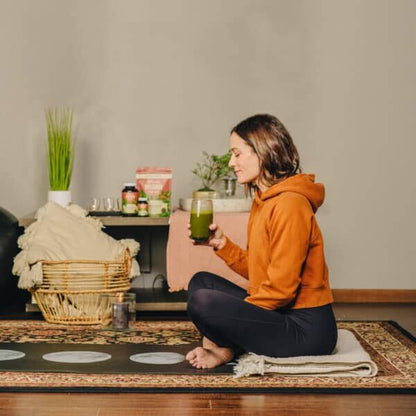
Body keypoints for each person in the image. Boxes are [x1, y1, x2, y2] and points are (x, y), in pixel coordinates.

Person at [185, 113, 337, 369]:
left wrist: (233, 315)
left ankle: (225, 349)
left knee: (204, 302)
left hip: (306, 330)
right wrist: (223, 244)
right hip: (280, 314)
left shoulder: (290, 204)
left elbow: (281, 289)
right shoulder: (264, 200)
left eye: (237, 153)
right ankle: (227, 348)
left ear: (263, 151)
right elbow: (262, 272)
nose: (231, 162)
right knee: (201, 282)